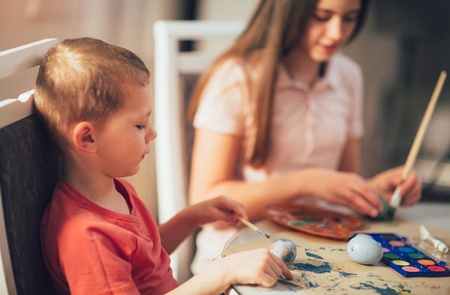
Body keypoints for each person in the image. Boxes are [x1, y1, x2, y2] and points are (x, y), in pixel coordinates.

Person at [35, 37, 292, 295]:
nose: (152, 133)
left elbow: (146, 261)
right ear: (88, 138)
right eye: (139, 125)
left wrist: (191, 217)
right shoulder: (86, 237)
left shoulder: (117, 191)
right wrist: (222, 273)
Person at [188, 0, 422, 274]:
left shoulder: (348, 75)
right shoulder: (237, 77)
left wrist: (371, 192)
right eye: (322, 16)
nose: (337, 32)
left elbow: (345, 180)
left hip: (322, 255)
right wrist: (306, 183)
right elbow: (204, 204)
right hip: (236, 257)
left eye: (349, 18)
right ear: (288, 10)